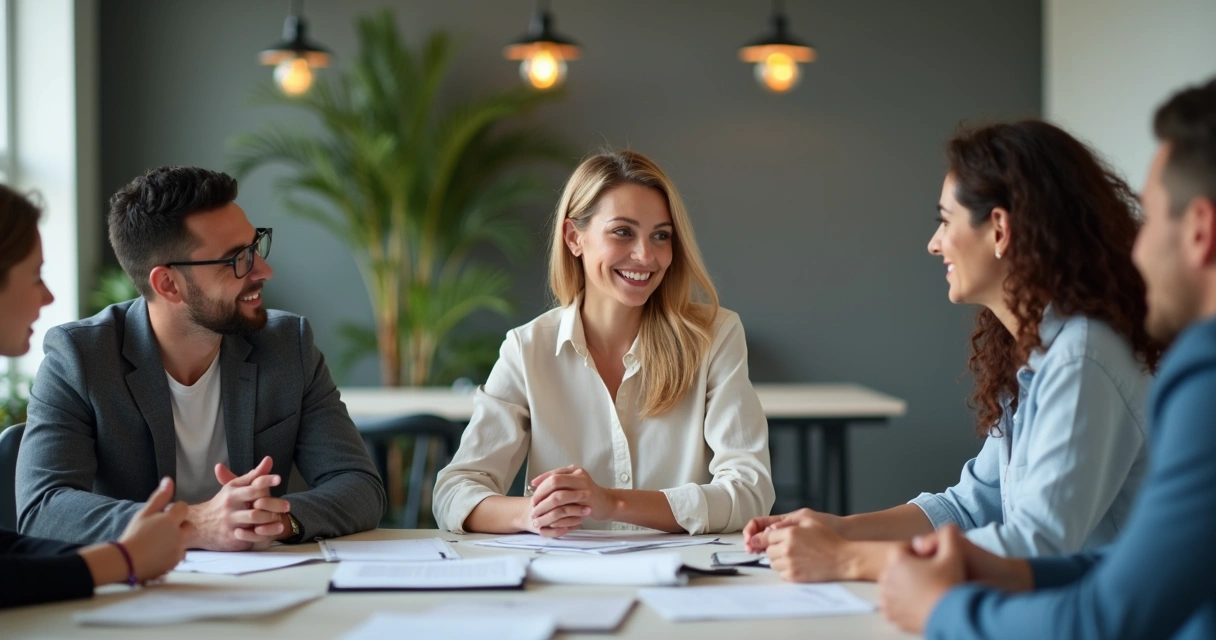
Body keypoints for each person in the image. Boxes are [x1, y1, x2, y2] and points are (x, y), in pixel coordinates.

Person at [746, 121, 1161, 583]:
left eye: (945, 221)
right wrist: (838, 530)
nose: (934, 243)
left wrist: (846, 560)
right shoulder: (1039, 351)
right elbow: (969, 506)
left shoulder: (1082, 357)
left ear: (999, 229)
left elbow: (1037, 545)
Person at [877, 78, 1216, 640]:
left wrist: (928, 603)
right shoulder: (1034, 350)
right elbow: (1125, 568)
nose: (1136, 245)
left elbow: (1098, 607)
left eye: (1153, 217)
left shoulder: (1146, 365)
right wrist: (848, 539)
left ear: (1200, 231)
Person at [16, 166, 385, 549]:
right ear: (168, 284)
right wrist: (194, 523)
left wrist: (273, 518)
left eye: (255, 246)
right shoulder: (80, 358)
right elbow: (43, 508)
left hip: (266, 586)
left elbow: (360, 487)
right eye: (236, 260)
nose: (264, 270)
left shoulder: (289, 345)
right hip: (132, 591)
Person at [433, 149, 774, 536]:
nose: (646, 255)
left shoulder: (715, 336)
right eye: (623, 232)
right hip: (566, 586)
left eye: (660, 236)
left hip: (684, 581)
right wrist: (529, 514)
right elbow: (453, 492)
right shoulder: (528, 349)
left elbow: (750, 492)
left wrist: (613, 502)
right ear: (574, 237)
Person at [0, 185, 189, 609]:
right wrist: (123, 558)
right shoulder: (77, 353)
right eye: (34, 276)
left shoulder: (291, 341)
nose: (48, 296)